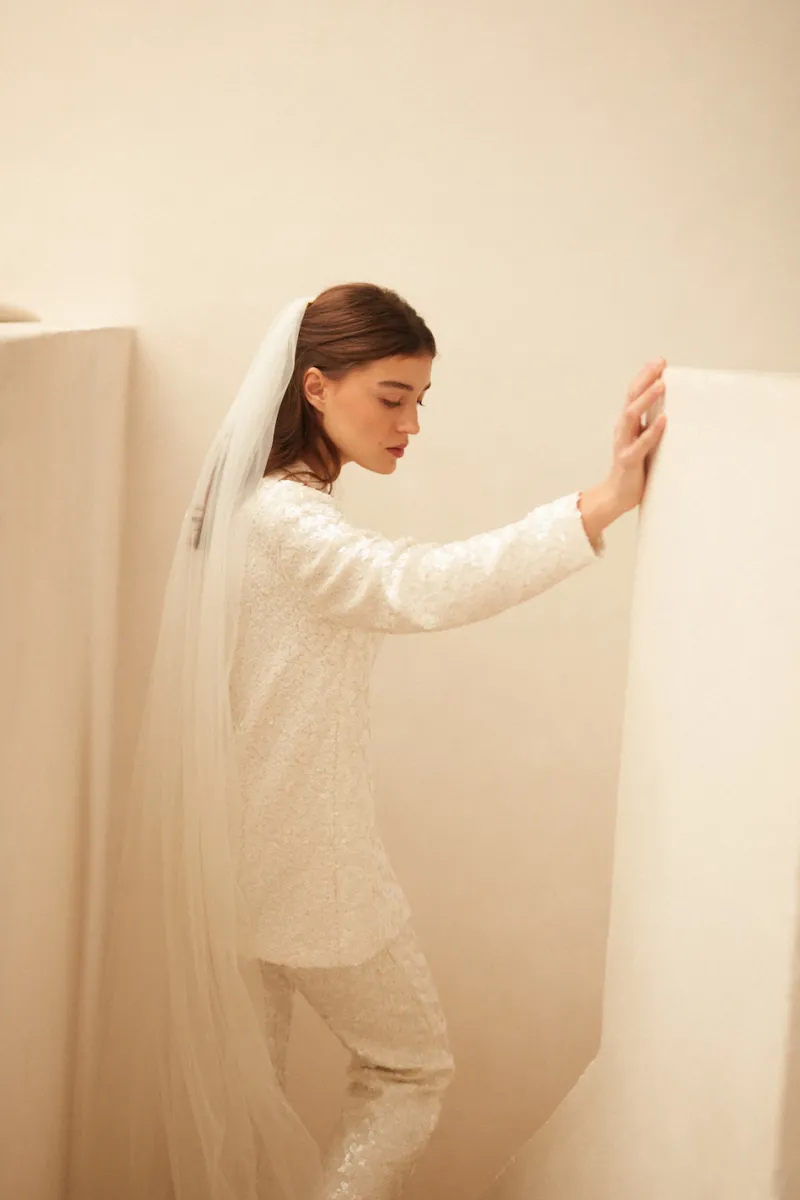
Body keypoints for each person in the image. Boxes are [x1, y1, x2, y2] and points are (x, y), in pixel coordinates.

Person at [95, 283, 666, 1200]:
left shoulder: (248, 508)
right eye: (392, 397)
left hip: (232, 860)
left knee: (250, 1105)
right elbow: (419, 585)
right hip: (308, 866)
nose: (410, 424)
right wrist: (600, 504)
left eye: (420, 401)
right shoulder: (287, 520)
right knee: (409, 1069)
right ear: (316, 387)